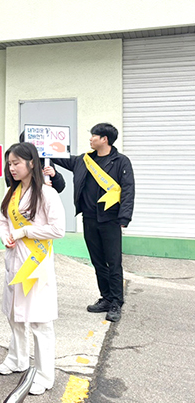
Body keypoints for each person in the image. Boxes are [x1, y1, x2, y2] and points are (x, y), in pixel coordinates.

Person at [0, 142, 65, 396]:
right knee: (14, 315)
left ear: (31, 163)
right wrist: (5, 236)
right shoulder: (12, 192)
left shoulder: (47, 194)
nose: (12, 168)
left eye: (16, 163)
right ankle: (17, 359)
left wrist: (26, 231)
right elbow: (3, 220)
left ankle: (45, 375)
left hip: (35, 264)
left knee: (39, 321)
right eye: (9, 164)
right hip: (14, 259)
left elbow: (57, 229)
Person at [51, 123, 135, 322]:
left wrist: (124, 216)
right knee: (98, 261)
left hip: (110, 219)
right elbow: (60, 157)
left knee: (113, 262)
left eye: (93, 136)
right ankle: (106, 297)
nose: (90, 139)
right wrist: (38, 147)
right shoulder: (84, 160)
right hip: (89, 218)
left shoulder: (121, 162)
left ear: (104, 139)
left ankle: (116, 302)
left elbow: (128, 189)